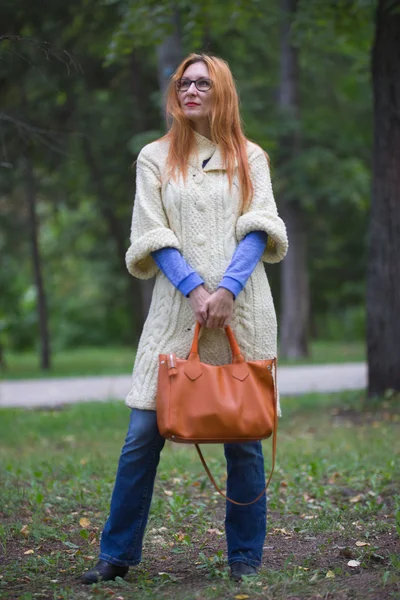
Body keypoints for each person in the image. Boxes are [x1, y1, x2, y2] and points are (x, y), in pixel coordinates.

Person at [81, 52, 288, 585]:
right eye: (184, 82)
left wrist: (227, 290)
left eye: (203, 82)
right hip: (177, 315)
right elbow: (152, 234)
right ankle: (116, 556)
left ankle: (244, 561)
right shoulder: (154, 157)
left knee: (244, 439)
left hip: (243, 314)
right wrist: (198, 291)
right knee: (140, 437)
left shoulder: (249, 156)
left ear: (222, 91)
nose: (191, 90)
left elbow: (260, 225)